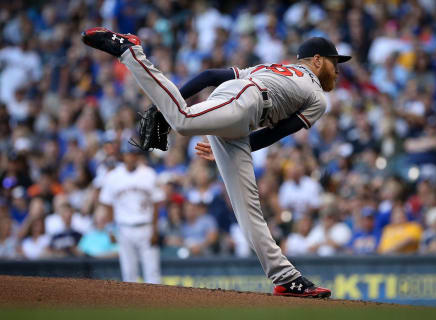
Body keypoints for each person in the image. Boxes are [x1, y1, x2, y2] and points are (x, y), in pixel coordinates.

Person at [83, 27, 351, 298]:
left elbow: (208, 77)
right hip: (246, 100)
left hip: (240, 114)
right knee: (183, 121)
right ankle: (131, 51)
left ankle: (286, 278)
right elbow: (276, 132)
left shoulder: (271, 67)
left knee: (247, 209)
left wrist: (172, 107)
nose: (337, 70)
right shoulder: (317, 96)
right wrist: (167, 110)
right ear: (317, 60)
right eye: (334, 62)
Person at [99, 141, 163, 284]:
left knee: (152, 273)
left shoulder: (148, 174)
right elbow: (108, 205)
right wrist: (110, 229)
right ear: (123, 156)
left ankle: (155, 305)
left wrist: (155, 230)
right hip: (124, 228)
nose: (131, 157)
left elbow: (156, 204)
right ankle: (131, 306)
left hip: (145, 227)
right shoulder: (113, 176)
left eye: (134, 154)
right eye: (129, 154)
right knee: (129, 274)